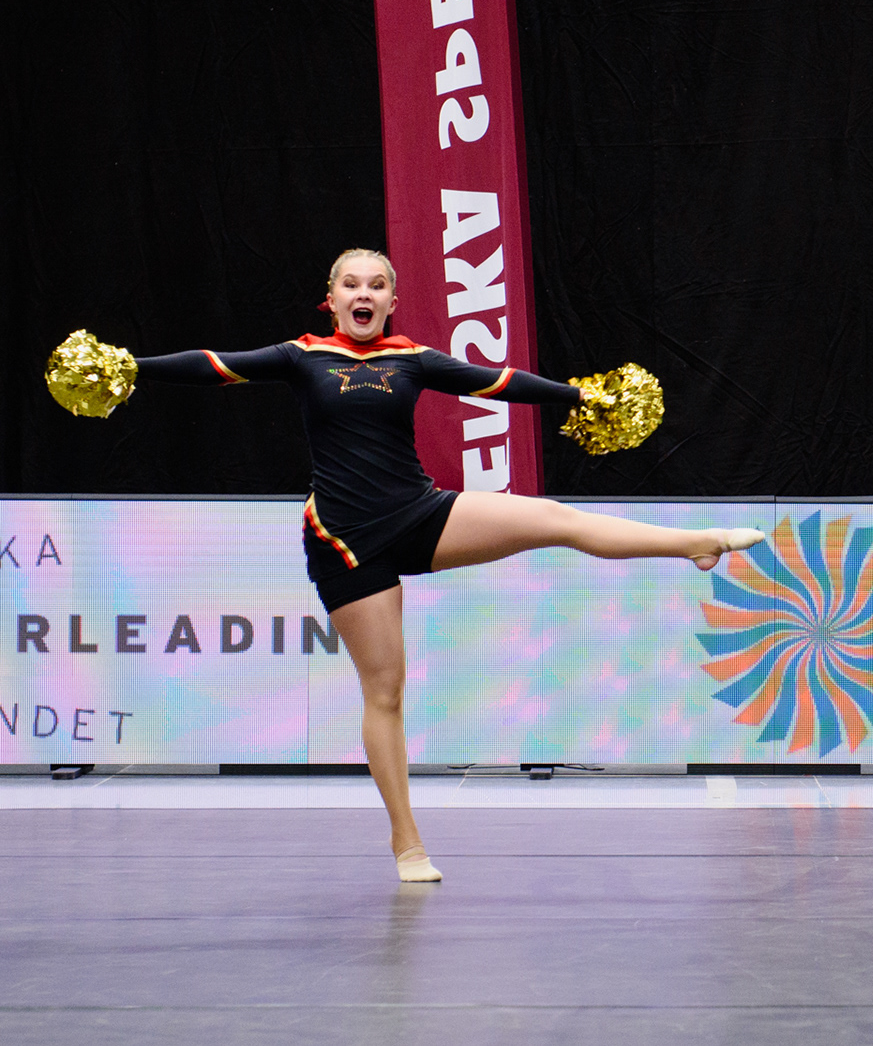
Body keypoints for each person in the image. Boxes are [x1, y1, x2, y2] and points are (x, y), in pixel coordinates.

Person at [129, 248, 763, 883]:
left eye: (377, 285)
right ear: (332, 297)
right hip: (345, 539)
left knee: (554, 520)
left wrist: (577, 395)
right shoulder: (301, 356)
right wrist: (132, 367)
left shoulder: (412, 358)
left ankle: (693, 543)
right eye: (352, 284)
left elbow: (498, 381)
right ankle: (407, 844)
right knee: (385, 692)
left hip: (420, 514)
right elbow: (214, 364)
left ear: (392, 300)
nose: (364, 294)